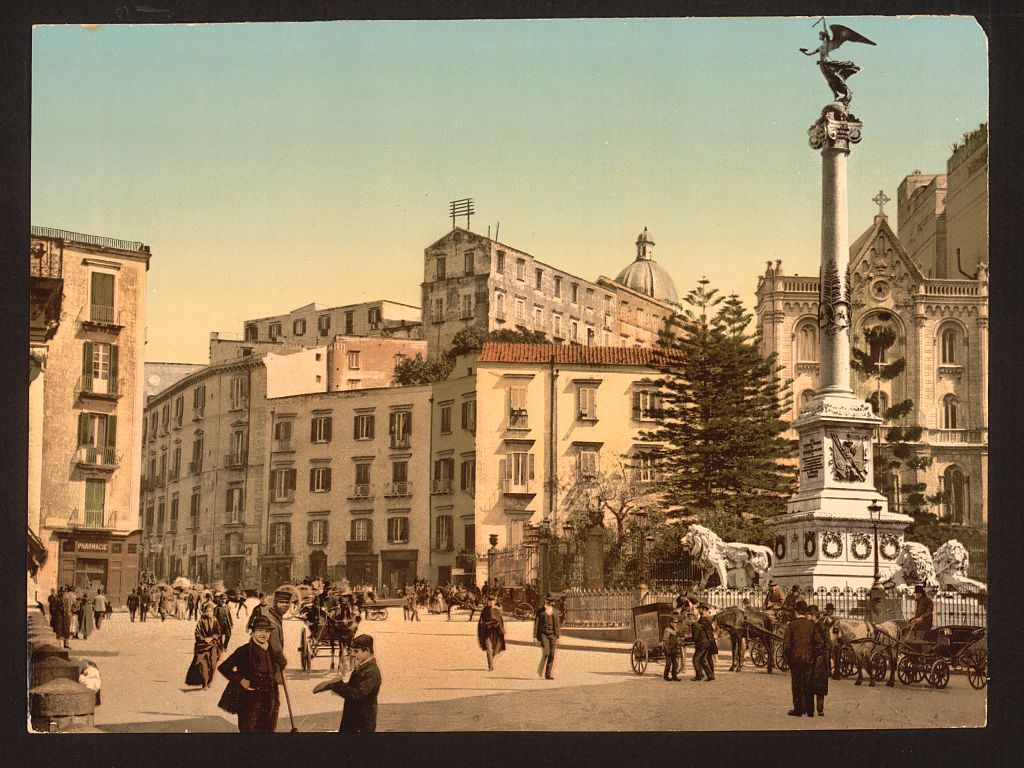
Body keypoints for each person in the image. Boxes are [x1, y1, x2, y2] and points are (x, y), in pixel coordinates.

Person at [218, 615, 286, 732]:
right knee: (248, 730)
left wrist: (281, 658)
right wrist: (240, 680)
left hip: (271, 697)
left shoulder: (272, 650)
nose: (264, 634)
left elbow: (281, 666)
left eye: (267, 631)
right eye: (260, 630)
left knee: (268, 730)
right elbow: (224, 667)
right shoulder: (244, 650)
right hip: (250, 698)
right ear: (253, 632)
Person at [313, 634, 382, 732]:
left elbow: (356, 694)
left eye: (356, 651)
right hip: (354, 718)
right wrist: (335, 685)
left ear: (366, 651)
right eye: (353, 651)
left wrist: (337, 685)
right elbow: (352, 688)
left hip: (362, 722)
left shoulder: (371, 672)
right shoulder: (364, 667)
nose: (353, 654)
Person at [782, 600, 824, 717]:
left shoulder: (791, 625)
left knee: (796, 685)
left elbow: (786, 646)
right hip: (809, 660)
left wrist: (789, 659)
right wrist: (813, 655)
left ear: (796, 612)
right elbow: (820, 643)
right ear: (805, 613)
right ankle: (810, 711)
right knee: (808, 685)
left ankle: (798, 710)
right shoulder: (811, 626)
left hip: (795, 660)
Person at [186, 603, 224, 690]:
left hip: (213, 646)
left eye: (210, 611)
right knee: (203, 666)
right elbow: (197, 633)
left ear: (213, 612)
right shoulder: (201, 621)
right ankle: (205, 683)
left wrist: (212, 638)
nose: (209, 613)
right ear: (204, 612)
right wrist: (204, 639)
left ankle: (210, 681)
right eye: (207, 611)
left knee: (213, 665)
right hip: (202, 647)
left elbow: (219, 633)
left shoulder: (215, 620)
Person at [809, 605, 831, 717]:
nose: (808, 617)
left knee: (819, 687)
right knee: (811, 686)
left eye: (809, 615)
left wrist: (818, 650)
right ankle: (812, 709)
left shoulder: (822, 627)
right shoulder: (810, 626)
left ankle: (820, 709)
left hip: (820, 660)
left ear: (814, 616)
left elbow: (828, 644)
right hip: (812, 659)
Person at [477, 595, 506, 671]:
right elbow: (481, 622)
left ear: (494, 602)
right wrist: (485, 625)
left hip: (495, 633)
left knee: (495, 649)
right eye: (489, 601)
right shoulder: (484, 610)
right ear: (487, 601)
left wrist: (501, 630)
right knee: (489, 648)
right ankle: (491, 666)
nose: (490, 602)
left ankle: (491, 659)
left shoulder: (497, 610)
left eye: (492, 601)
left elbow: (500, 621)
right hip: (487, 632)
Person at [534, 594, 560, 680]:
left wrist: (558, 636)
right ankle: (540, 669)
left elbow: (557, 624)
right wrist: (535, 637)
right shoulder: (540, 611)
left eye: (550, 601)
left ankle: (548, 674)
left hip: (553, 635)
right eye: (547, 600)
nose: (549, 602)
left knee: (552, 654)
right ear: (545, 601)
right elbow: (536, 624)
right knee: (546, 652)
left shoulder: (555, 611)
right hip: (543, 634)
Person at [690, 604, 717, 681]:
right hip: (708, 640)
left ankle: (705, 675)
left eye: (700, 609)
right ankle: (709, 675)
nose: (699, 610)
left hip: (707, 640)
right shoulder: (703, 619)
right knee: (706, 658)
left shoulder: (705, 619)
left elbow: (709, 630)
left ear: (704, 609)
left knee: (705, 658)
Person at [662, 614, 682, 681]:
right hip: (668, 649)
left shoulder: (675, 630)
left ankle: (674, 676)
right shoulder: (667, 630)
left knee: (675, 663)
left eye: (676, 623)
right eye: (674, 623)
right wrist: (667, 649)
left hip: (674, 648)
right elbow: (665, 640)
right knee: (668, 663)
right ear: (670, 623)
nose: (675, 624)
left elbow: (678, 636)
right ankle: (666, 676)